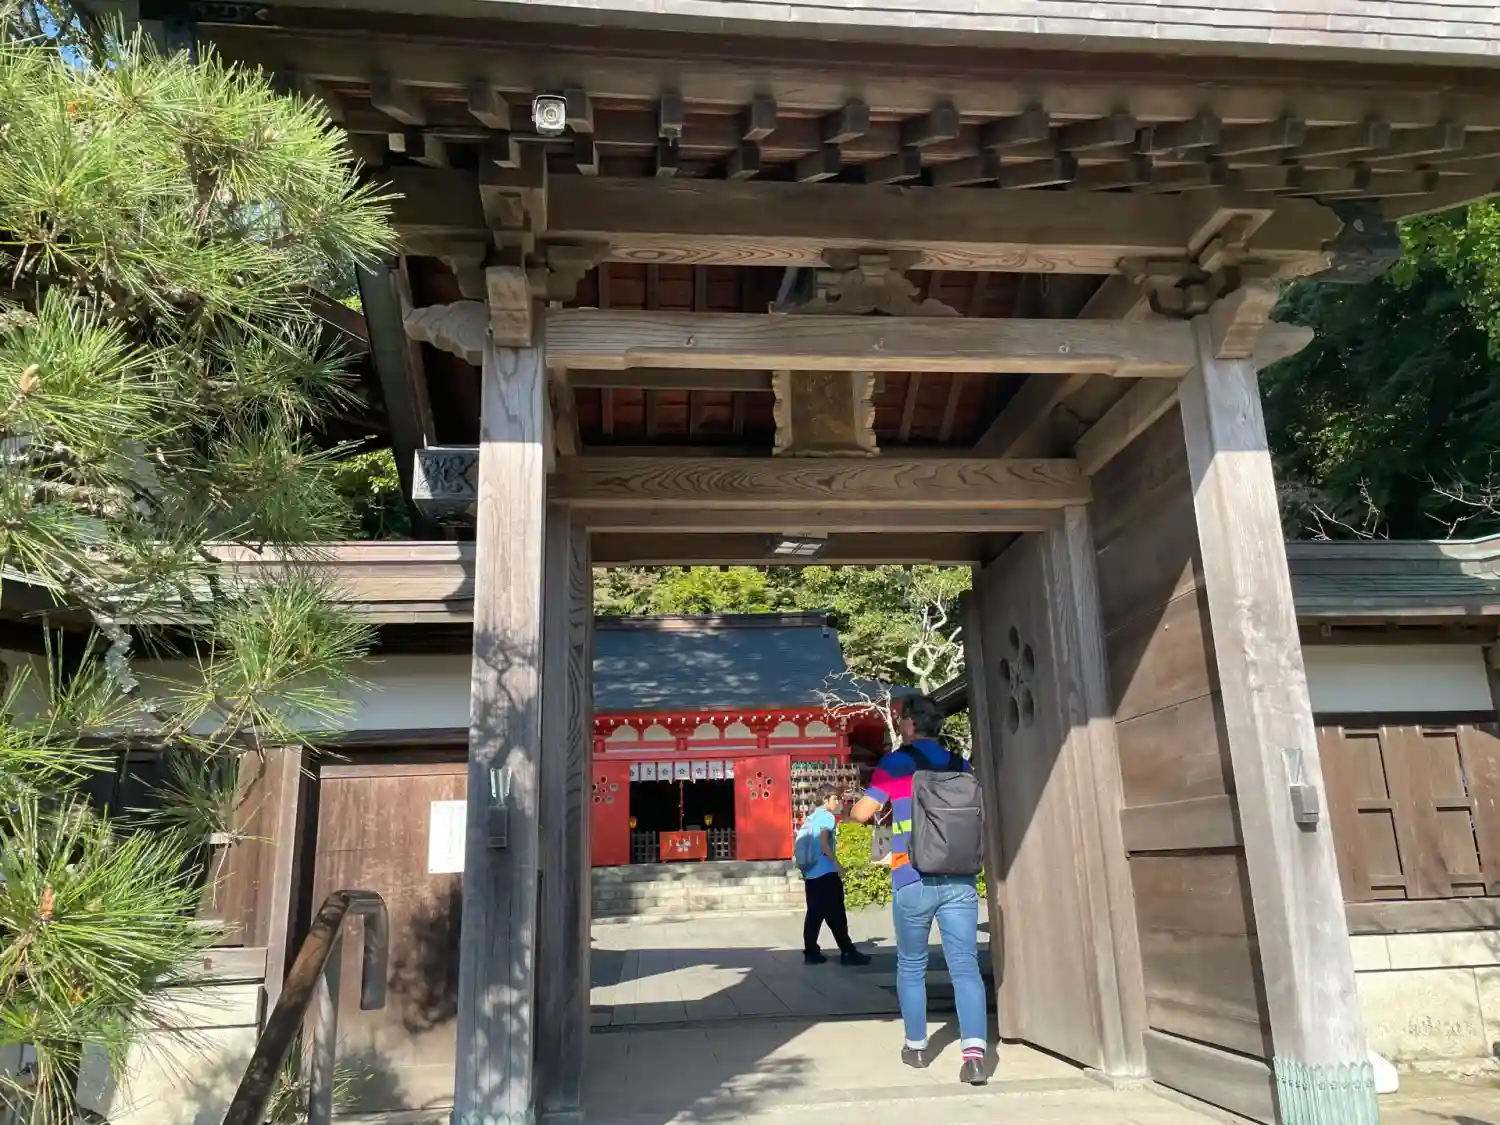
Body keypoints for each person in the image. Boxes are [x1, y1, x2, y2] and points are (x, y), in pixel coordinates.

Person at [850, 695, 988, 1086]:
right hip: (960, 877)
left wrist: (866, 810)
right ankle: (975, 1057)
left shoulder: (897, 763)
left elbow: (862, 813)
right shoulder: (961, 764)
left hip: (911, 876)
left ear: (910, 724)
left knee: (912, 965)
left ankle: (916, 1047)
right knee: (965, 967)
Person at [795, 783, 871, 966]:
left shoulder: (811, 818)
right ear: (826, 799)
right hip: (826, 873)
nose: (837, 802)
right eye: (835, 798)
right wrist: (836, 863)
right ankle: (848, 952)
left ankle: (811, 952)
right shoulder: (827, 817)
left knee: (814, 915)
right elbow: (823, 842)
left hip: (811, 874)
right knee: (836, 914)